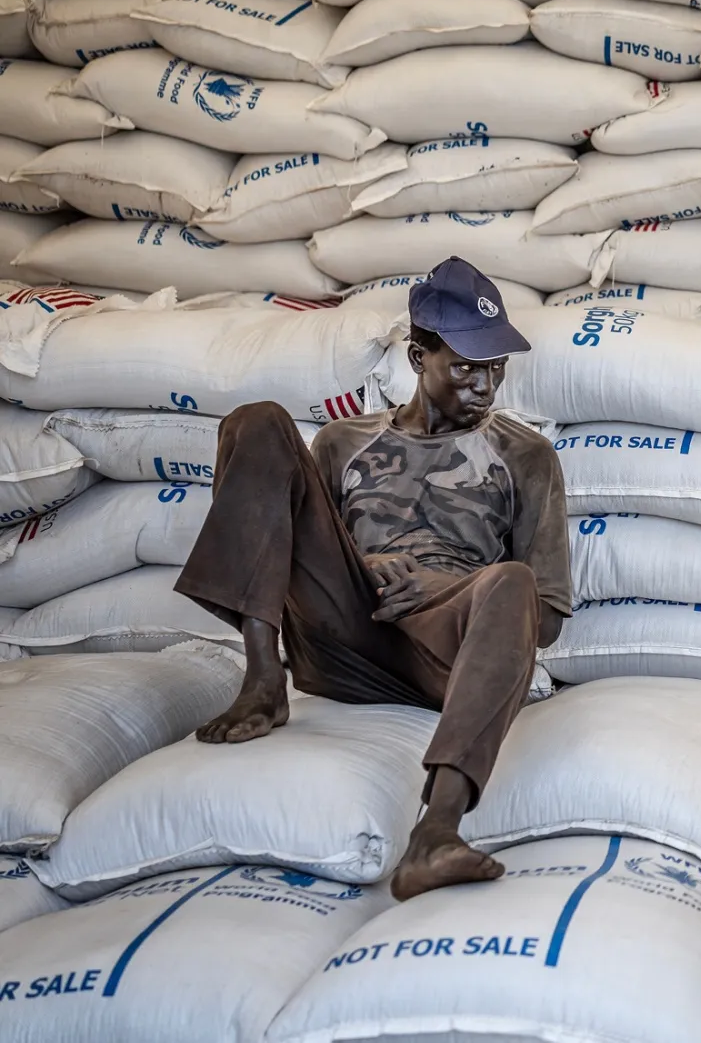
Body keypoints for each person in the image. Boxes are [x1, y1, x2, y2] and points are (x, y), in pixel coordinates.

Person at [174, 257, 569, 902]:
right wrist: (364, 567)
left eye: (495, 365)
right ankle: (261, 679)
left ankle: (436, 833)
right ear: (418, 358)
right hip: (342, 638)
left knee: (515, 580)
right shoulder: (340, 442)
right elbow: (294, 543)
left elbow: (543, 621)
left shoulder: (527, 456)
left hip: (442, 660)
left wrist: (441, 583)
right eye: (465, 365)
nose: (484, 386)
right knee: (258, 422)